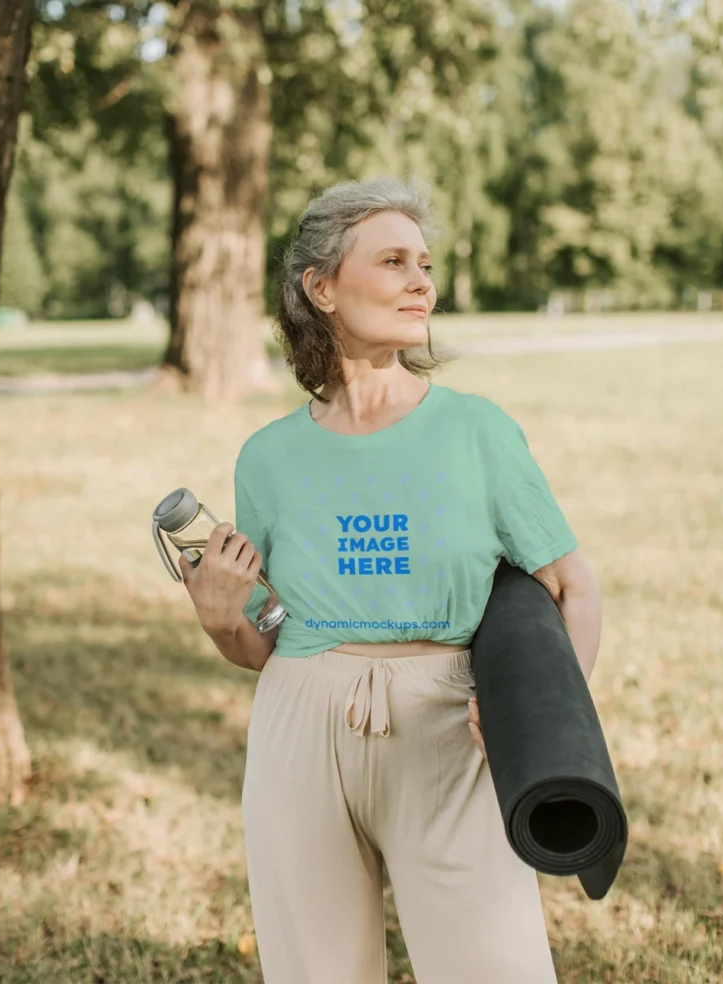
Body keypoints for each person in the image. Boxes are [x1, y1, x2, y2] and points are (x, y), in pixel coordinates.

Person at [179, 178, 602, 984]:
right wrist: (221, 617)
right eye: (395, 261)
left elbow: (573, 585)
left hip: (451, 721)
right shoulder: (267, 457)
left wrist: (544, 728)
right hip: (299, 721)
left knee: (495, 968)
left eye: (426, 264)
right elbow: (260, 643)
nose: (422, 283)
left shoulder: (476, 431)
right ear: (322, 287)